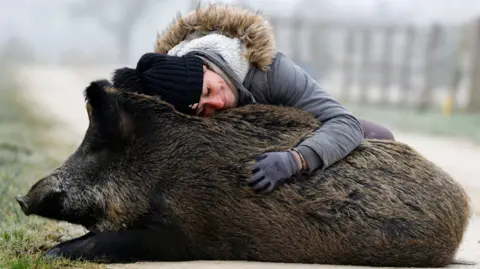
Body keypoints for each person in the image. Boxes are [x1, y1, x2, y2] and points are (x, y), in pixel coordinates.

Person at [112, 3, 395, 194]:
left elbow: (343, 122)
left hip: (293, 143)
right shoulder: (171, 106)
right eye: (202, 109)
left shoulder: (271, 70)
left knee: (379, 135)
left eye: (209, 90)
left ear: (206, 65)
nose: (218, 104)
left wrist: (295, 160)